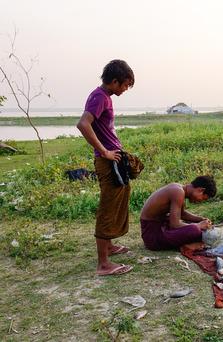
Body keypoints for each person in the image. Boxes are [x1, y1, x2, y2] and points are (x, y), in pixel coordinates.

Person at [77, 59, 135, 276]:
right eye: (125, 85)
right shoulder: (100, 97)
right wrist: (104, 151)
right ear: (114, 81)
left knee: (118, 199)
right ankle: (103, 263)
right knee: (108, 207)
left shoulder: (102, 96)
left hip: (114, 159)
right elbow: (83, 124)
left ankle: (109, 246)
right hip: (107, 161)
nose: (126, 89)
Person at [140, 176, 217, 250]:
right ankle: (183, 246)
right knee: (195, 230)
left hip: (160, 226)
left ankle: (185, 241)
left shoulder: (180, 189)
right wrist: (199, 225)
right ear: (201, 190)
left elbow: (182, 214)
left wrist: (201, 219)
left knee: (193, 226)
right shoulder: (178, 192)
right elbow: (175, 225)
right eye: (203, 198)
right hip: (152, 237)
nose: (200, 201)